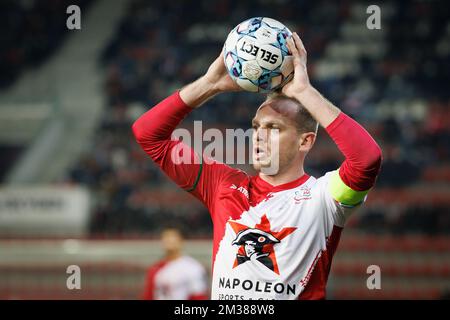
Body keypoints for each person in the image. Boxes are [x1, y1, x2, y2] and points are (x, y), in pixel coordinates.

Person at [133, 33, 382, 300]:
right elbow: (148, 134)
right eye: (256, 127)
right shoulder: (223, 184)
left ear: (305, 141)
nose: (259, 135)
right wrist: (209, 84)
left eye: (273, 128)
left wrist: (304, 93)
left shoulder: (325, 197)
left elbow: (367, 158)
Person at [142, 227, 208, 300]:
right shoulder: (155, 268)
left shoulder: (193, 267)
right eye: (166, 238)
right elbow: (148, 295)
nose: (169, 241)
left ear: (181, 241)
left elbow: (198, 296)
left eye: (172, 237)